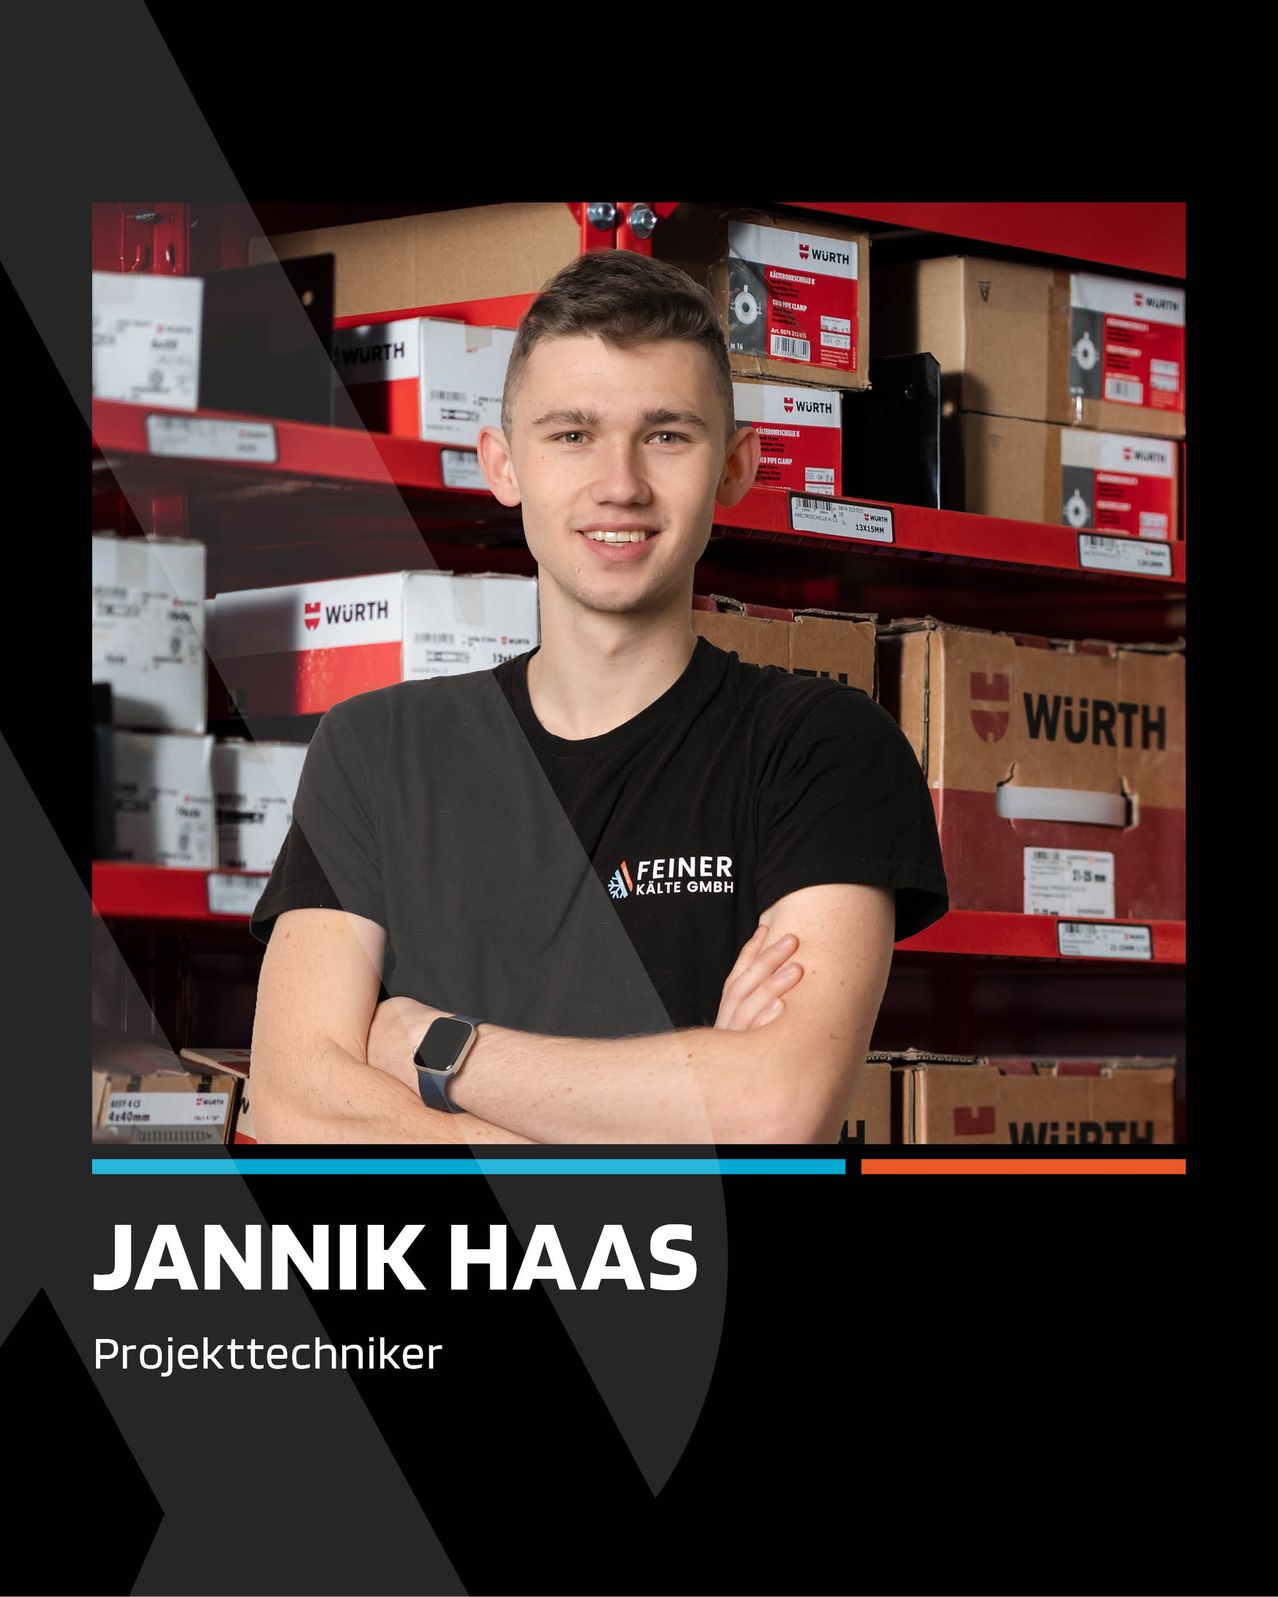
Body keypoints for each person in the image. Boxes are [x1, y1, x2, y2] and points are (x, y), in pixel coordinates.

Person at [248, 250, 948, 1144]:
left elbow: (774, 1105)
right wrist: (660, 1126)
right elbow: (295, 1100)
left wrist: (430, 1046)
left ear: (735, 466)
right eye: (571, 434)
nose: (620, 482)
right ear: (502, 465)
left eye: (666, 434)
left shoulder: (820, 748)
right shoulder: (377, 749)